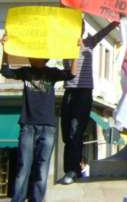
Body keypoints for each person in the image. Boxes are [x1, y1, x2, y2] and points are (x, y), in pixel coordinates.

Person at [1, 34, 78, 202]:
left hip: (47, 126)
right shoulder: (25, 71)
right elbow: (5, 71)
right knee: (24, 166)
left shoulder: (52, 73)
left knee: (42, 168)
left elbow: (71, 75)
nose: (29, 57)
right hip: (27, 125)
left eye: (33, 55)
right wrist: (5, 49)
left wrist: (75, 52)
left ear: (42, 58)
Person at [61, 20, 119, 184]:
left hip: (84, 92)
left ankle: (71, 170)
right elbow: (58, 20)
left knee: (75, 130)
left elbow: (104, 32)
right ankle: (74, 168)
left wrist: (114, 23)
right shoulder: (62, 44)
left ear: (82, 30)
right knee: (67, 133)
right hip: (69, 91)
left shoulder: (89, 43)